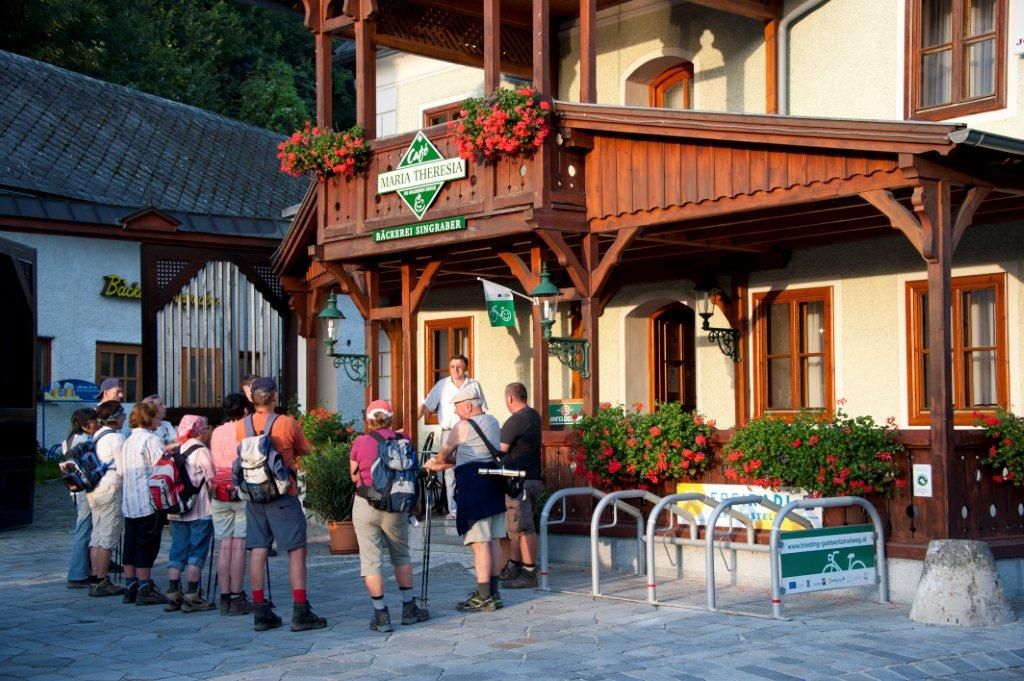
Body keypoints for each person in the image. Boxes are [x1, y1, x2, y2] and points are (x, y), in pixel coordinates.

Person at [237, 377, 326, 632]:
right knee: (296, 550)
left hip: (254, 494)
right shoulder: (286, 423)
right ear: (274, 395)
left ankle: (260, 610)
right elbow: (306, 449)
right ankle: (300, 610)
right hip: (283, 494)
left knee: (258, 550)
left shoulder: (241, 426)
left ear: (253, 398)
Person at [424, 381, 506, 612]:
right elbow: (475, 454)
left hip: (474, 488)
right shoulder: (493, 422)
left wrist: (436, 463)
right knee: (493, 540)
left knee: (479, 543)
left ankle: (483, 597)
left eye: (458, 407)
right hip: (493, 485)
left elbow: (444, 453)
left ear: (469, 406)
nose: (456, 412)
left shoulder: (462, 426)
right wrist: (450, 463)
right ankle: (494, 593)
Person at [350, 399, 430, 632]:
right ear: (391, 418)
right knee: (401, 556)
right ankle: (409, 608)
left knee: (371, 560)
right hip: (396, 505)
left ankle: (381, 615)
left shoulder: (360, 442)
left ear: (368, 420)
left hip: (366, 504)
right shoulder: (404, 440)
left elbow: (354, 476)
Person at [419, 354, 487, 520]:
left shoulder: (474, 385)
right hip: (449, 432)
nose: (455, 370)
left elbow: (482, 410)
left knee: (470, 467)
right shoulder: (442, 385)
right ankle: (454, 510)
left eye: (459, 366)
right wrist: (408, 425)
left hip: (470, 431)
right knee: (449, 470)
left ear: (466, 368)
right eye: (452, 367)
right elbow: (426, 406)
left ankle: (470, 506)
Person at [164, 415, 216, 613]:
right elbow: (212, 480)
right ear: (200, 431)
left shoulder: (172, 450)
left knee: (177, 549)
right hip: (199, 509)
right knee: (197, 551)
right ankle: (192, 595)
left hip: (175, 510)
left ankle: (172, 593)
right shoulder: (201, 451)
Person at [209, 393, 254, 616]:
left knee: (224, 544)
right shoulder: (246, 431)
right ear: (244, 410)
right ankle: (237, 595)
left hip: (219, 488)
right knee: (239, 545)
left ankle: (224, 596)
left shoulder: (216, 431)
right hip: (240, 488)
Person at [119, 400, 168, 606]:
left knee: (130, 541)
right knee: (146, 543)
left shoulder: (128, 440)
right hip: (148, 501)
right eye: (156, 417)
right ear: (149, 418)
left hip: (130, 501)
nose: (159, 420)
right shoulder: (151, 440)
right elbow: (162, 467)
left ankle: (131, 584)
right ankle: (145, 586)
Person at [496, 382, 543, 589]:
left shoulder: (515, 420)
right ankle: (514, 566)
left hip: (519, 482)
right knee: (516, 527)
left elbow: (500, 451)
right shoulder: (534, 415)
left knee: (524, 528)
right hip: (533, 479)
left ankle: (529, 573)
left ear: (510, 398)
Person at [87, 401, 126, 597]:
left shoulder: (97, 435)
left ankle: (95, 579)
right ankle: (102, 581)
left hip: (95, 489)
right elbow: (122, 469)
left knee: (97, 536)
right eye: (122, 414)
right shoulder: (116, 438)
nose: (124, 418)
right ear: (115, 417)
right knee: (108, 537)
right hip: (111, 488)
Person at [63, 408, 98, 588]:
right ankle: (77, 575)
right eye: (94, 421)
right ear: (84, 425)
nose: (97, 424)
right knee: (84, 530)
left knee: (85, 530)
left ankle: (85, 570)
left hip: (76, 490)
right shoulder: (83, 441)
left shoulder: (70, 438)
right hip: (84, 491)